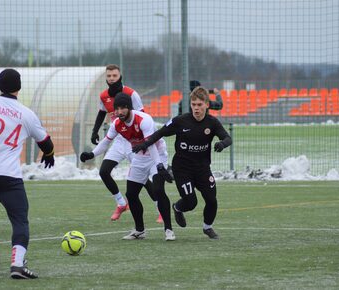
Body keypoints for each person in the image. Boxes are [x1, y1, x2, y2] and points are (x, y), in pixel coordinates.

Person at [0, 69, 55, 279]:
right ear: (19, 87)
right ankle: (17, 265)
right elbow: (46, 142)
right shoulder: (26, 114)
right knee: (20, 220)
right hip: (9, 177)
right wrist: (49, 154)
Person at [133, 86, 232, 239]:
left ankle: (208, 227)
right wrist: (145, 144)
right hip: (182, 169)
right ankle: (178, 208)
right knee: (191, 202)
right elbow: (159, 133)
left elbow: (227, 138)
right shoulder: (181, 121)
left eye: (199, 105)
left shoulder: (212, 122)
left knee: (212, 200)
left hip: (202, 168)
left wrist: (222, 144)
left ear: (207, 104)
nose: (196, 108)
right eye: (193, 105)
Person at [81, 93, 175, 241]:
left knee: (158, 189)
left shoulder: (144, 120)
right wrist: (91, 154)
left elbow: (151, 144)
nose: (119, 112)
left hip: (157, 154)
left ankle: (168, 230)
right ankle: (139, 230)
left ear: (129, 107)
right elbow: (106, 141)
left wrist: (160, 166)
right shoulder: (117, 123)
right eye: (117, 109)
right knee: (131, 194)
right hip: (140, 157)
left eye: (123, 108)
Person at [91, 64, 162, 223]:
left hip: (133, 141)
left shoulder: (131, 94)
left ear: (120, 76)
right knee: (104, 171)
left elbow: (142, 116)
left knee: (143, 179)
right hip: (118, 139)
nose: (111, 78)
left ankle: (160, 208)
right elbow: (102, 112)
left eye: (114, 76)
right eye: (108, 76)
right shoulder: (103, 96)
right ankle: (121, 203)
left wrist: (142, 141)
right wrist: (95, 131)